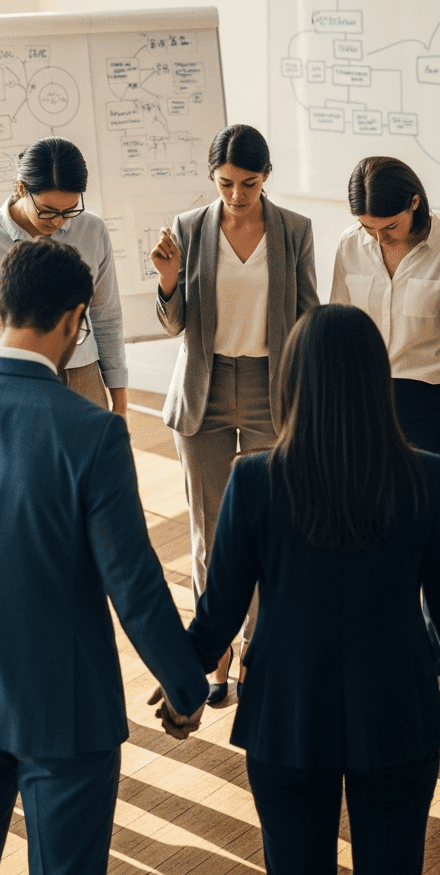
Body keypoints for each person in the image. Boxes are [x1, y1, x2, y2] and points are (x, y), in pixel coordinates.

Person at [0, 238, 207, 875]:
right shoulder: (93, 431)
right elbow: (131, 581)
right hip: (66, 707)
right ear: (78, 322)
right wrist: (184, 682)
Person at [167, 303, 440, 874]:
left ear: (291, 381)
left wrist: (184, 686)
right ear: (376, 379)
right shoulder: (426, 475)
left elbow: (220, 612)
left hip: (285, 713)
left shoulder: (255, 478)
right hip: (396, 712)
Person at [151, 124, 319, 705]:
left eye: (249, 183)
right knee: (211, 527)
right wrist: (169, 281)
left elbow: (307, 313)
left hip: (273, 386)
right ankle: (214, 650)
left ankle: (257, 649)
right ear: (212, 178)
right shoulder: (188, 229)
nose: (237, 195)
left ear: (266, 177)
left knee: (270, 526)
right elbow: (174, 325)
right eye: (225, 183)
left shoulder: (294, 230)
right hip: (207, 387)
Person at [331, 156, 440, 497]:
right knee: (362, 510)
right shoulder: (349, 243)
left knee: (428, 509)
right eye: (368, 227)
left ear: (414, 202)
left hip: (430, 404)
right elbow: (338, 328)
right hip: (361, 399)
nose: (379, 237)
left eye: (389, 227)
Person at [0, 136, 128, 412]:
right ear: (22, 189)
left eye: (69, 210)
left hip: (81, 374)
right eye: (47, 211)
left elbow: (107, 317)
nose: (58, 221)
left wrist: (119, 400)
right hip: (11, 377)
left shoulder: (92, 230)